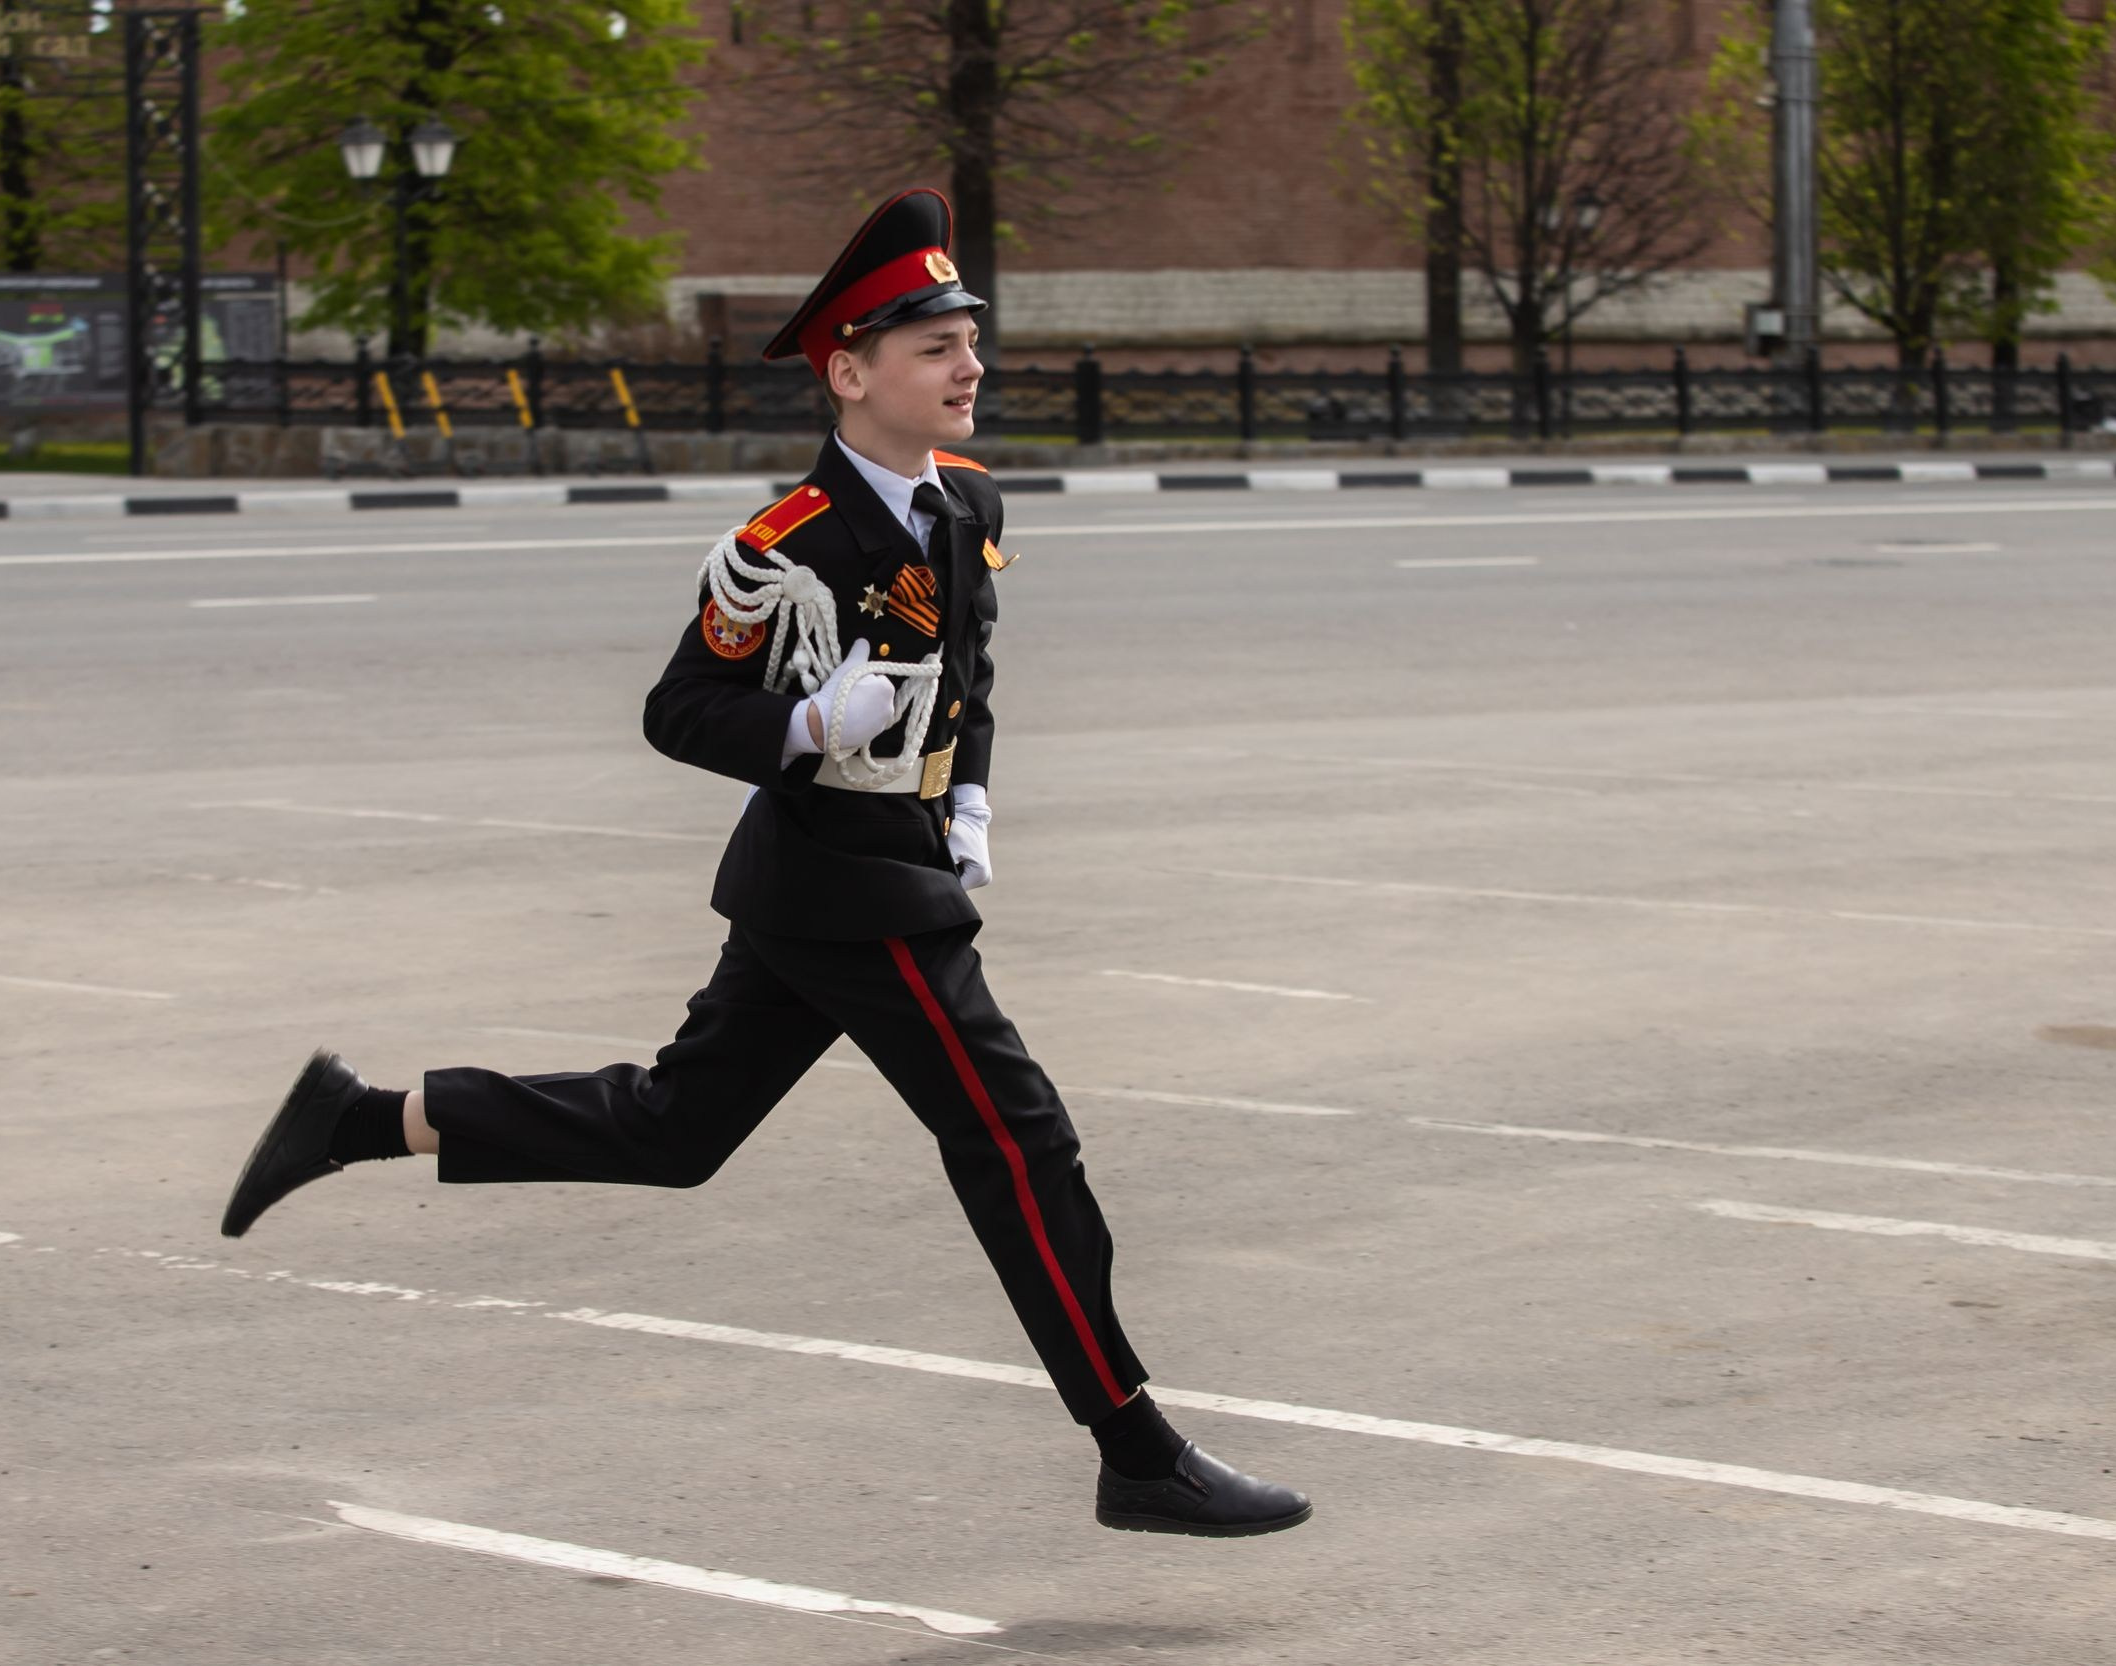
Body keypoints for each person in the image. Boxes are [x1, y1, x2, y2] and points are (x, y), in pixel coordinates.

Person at [220, 188, 1310, 1538]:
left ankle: (357, 1116)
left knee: (675, 1131)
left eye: (971, 339)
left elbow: (968, 669)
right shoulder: (781, 547)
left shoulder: (966, 505)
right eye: (935, 348)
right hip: (850, 893)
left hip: (873, 877)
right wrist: (800, 725)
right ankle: (1133, 1445)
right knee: (1021, 1142)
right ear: (850, 373)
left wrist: (966, 796)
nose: (971, 366)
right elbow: (676, 712)